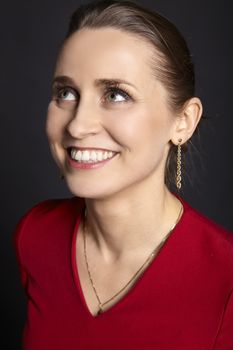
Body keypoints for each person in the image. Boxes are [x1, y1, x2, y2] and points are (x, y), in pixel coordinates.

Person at [13, 0, 233, 349]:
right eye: (66, 93)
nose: (79, 124)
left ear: (183, 122)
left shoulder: (227, 279)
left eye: (116, 94)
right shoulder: (35, 236)